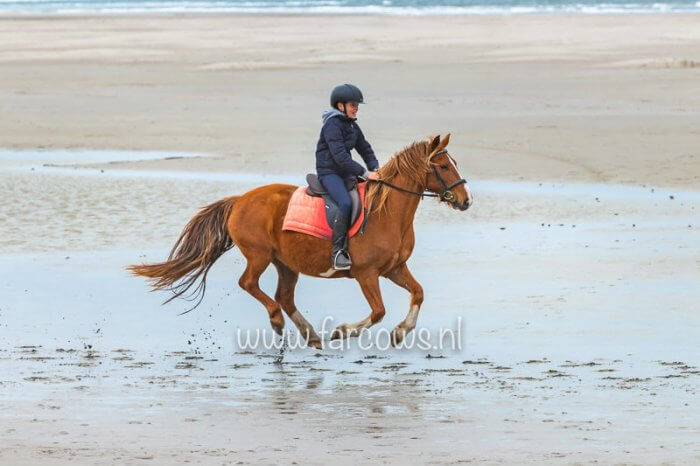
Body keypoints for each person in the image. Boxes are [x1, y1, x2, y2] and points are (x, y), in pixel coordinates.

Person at [315, 83, 380, 270]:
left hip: (345, 171)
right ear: (340, 106)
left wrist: (376, 168)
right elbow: (340, 157)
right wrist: (366, 173)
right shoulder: (332, 125)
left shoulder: (352, 125)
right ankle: (338, 252)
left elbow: (365, 149)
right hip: (329, 173)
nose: (356, 108)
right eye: (353, 105)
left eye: (357, 105)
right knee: (345, 203)